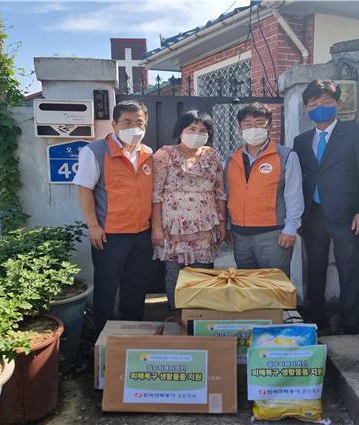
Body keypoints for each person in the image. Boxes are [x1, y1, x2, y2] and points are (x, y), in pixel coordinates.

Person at [293, 79, 359, 335]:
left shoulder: (357, 133)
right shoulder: (301, 140)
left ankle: (350, 322)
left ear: (338, 104)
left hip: (347, 214)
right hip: (313, 215)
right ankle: (315, 318)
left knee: (349, 269)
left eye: (327, 102)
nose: (320, 107)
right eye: (314, 103)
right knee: (314, 269)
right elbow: (302, 178)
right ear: (306, 109)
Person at [73, 100, 154, 333]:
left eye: (139, 122)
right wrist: (93, 227)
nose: (134, 127)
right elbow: (84, 190)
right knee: (107, 288)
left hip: (141, 234)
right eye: (127, 122)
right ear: (114, 124)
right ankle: (103, 339)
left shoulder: (147, 153)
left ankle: (134, 333)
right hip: (110, 236)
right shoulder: (96, 152)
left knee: (136, 288)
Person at [152, 111, 226, 309]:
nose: (197, 134)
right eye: (192, 129)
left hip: (204, 224)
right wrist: (157, 229)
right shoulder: (164, 155)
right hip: (173, 226)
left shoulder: (212, 155)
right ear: (180, 130)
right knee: (174, 272)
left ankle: (199, 316)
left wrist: (222, 223)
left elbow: (219, 192)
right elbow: (156, 195)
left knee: (202, 273)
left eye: (202, 130)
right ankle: (176, 313)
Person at [224, 103, 304, 276]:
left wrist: (291, 229)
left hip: (273, 235)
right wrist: (229, 225)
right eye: (247, 124)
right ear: (240, 128)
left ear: (269, 125)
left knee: (274, 286)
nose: (253, 128)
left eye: (259, 123)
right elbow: (229, 194)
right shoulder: (231, 159)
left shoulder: (286, 156)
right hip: (240, 236)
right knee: (247, 287)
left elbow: (294, 195)